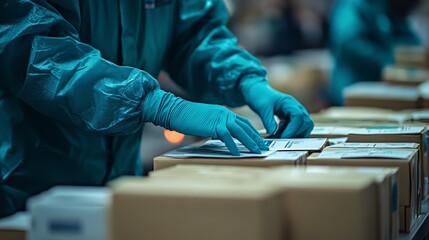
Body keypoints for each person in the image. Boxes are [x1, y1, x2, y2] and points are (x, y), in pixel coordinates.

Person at [0, 0, 313, 217]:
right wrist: (154, 103)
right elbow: (34, 51)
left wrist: (248, 82)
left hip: (120, 185)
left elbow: (195, 35)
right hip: (31, 187)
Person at [330, 0, 422, 105]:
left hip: (380, 86)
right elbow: (349, 42)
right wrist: (388, 61)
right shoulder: (352, 4)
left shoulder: (382, 4)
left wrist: (417, 56)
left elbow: (405, 34)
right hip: (352, 87)